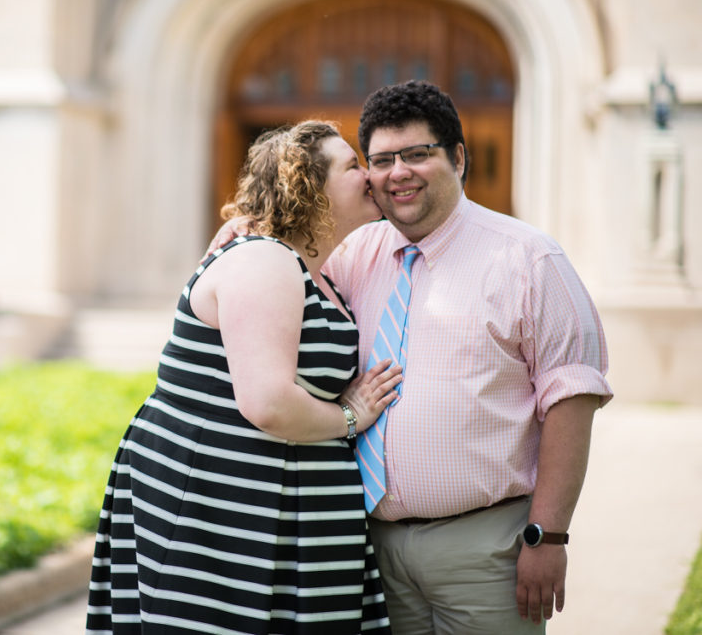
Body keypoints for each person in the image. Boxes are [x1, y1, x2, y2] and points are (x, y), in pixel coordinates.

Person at [209, 80, 613, 634]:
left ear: (458, 158)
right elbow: (274, 278)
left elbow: (572, 401)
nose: (398, 172)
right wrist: (245, 230)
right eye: (380, 160)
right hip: (370, 550)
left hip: (485, 549)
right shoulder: (353, 253)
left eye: (418, 154)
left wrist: (548, 534)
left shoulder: (529, 260)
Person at [86, 121, 401, 634]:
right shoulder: (264, 260)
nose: (369, 176)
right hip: (218, 509)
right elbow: (269, 402)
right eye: (352, 166)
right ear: (309, 185)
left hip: (277, 504)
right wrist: (353, 414)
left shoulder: (313, 269)